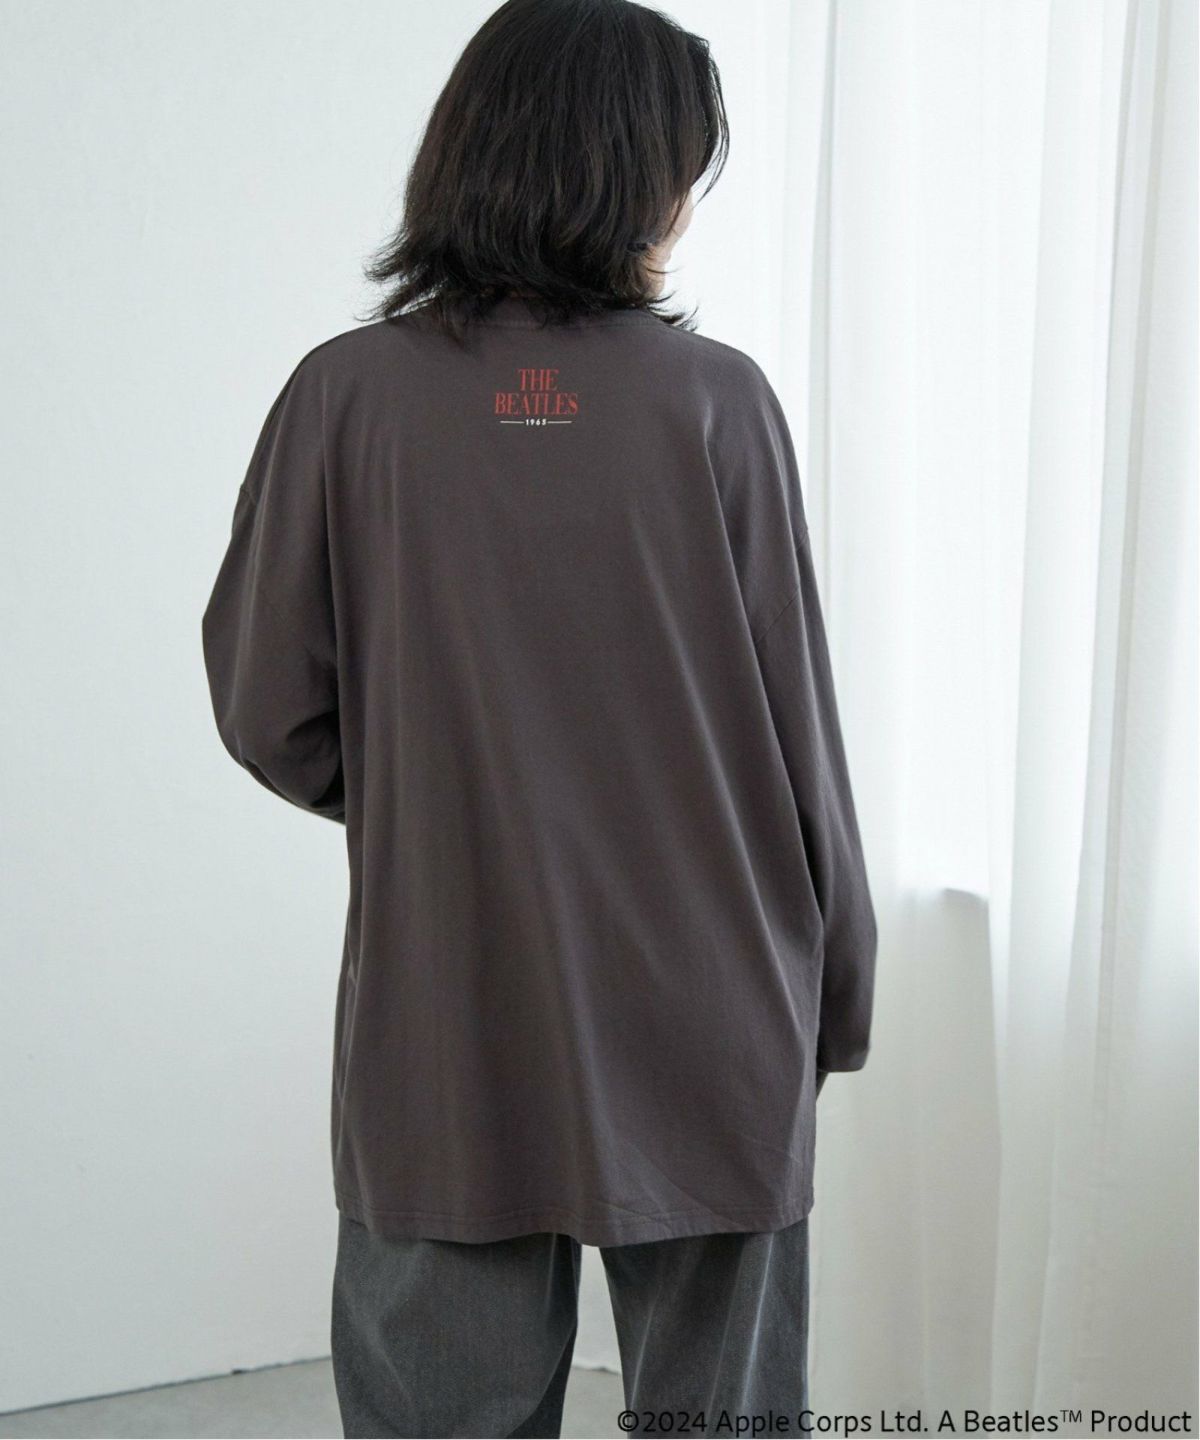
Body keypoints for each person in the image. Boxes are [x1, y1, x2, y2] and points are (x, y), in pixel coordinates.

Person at [200, 0, 878, 1434]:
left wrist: (440, 786)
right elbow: (797, 733)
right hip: (716, 1003)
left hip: (451, 1000)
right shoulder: (719, 404)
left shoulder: (346, 398)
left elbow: (268, 707)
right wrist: (841, 978)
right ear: (640, 174)